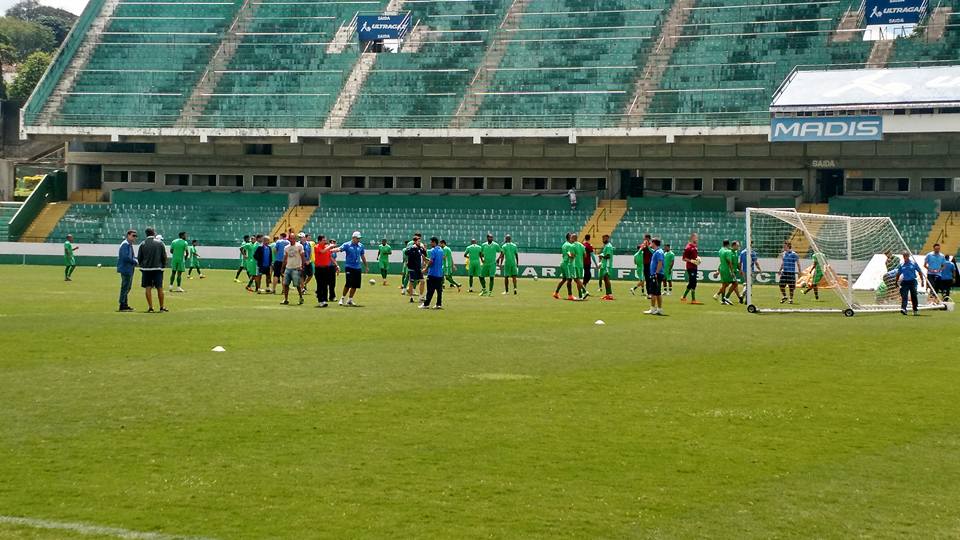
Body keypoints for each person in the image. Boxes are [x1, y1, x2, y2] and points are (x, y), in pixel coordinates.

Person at [138, 227, 168, 313]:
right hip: (157, 268)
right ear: (154, 233)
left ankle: (150, 307)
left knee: (148, 288)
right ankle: (161, 307)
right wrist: (163, 265)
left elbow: (140, 257)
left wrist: (142, 266)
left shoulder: (142, 244)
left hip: (146, 269)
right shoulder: (160, 243)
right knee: (159, 287)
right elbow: (164, 256)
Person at [339, 231, 368, 306]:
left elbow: (362, 256)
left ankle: (350, 299)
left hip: (357, 267)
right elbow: (340, 249)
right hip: (349, 267)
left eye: (359, 238)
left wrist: (366, 266)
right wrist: (331, 250)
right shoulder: (347, 245)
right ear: (353, 238)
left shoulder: (361, 246)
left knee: (355, 285)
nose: (359, 240)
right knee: (348, 284)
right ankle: (342, 298)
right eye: (357, 238)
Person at [896, 251, 925, 316]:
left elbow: (919, 271)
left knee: (914, 296)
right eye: (904, 256)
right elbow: (898, 274)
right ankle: (904, 309)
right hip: (905, 282)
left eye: (906, 256)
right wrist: (896, 282)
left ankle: (915, 309)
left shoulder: (913, 263)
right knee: (904, 296)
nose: (905, 257)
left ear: (908, 256)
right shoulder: (902, 264)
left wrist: (922, 280)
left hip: (912, 281)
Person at [116, 230, 138, 312]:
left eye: (135, 236)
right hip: (126, 268)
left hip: (128, 268)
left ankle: (125, 304)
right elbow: (125, 257)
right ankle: (122, 304)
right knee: (125, 287)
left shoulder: (128, 244)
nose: (134, 237)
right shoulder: (125, 244)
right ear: (128, 235)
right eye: (133, 235)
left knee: (127, 287)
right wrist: (135, 261)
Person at [280, 235, 305, 305]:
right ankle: (286, 299)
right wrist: (282, 268)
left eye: (293, 238)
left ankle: (300, 297)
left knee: (297, 284)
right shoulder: (286, 247)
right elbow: (285, 258)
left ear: (295, 239)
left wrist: (302, 266)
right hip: (288, 267)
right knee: (285, 284)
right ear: (289, 239)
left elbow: (303, 256)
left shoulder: (299, 246)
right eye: (291, 238)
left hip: (296, 268)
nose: (292, 240)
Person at [421, 237, 445, 309]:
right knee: (439, 291)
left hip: (432, 273)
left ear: (434, 242)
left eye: (431, 242)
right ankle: (438, 304)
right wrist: (426, 259)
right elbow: (437, 260)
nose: (430, 243)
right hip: (439, 274)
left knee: (430, 290)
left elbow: (431, 262)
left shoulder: (433, 250)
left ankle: (426, 304)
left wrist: (425, 269)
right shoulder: (441, 250)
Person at [680, 232, 702, 305]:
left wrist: (698, 259)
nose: (697, 239)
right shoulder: (688, 247)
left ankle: (684, 297)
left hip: (694, 266)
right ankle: (693, 299)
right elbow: (684, 258)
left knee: (692, 282)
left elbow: (694, 256)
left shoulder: (695, 246)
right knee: (693, 281)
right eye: (696, 237)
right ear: (692, 238)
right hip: (690, 267)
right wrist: (691, 261)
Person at [645, 238, 665, 315]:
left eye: (651, 242)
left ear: (654, 243)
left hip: (656, 274)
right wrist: (647, 246)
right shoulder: (657, 251)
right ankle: (659, 309)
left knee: (653, 292)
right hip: (657, 274)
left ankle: (652, 309)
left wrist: (656, 273)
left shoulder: (659, 252)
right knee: (658, 292)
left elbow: (660, 262)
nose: (651, 244)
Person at [713, 240, 737, 306]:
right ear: (728, 244)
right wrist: (732, 271)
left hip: (722, 269)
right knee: (735, 283)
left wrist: (718, 271)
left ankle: (723, 300)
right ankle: (724, 298)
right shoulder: (728, 251)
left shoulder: (720, 250)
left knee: (724, 284)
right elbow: (729, 262)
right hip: (727, 270)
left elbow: (721, 261)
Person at [553, 233, 576, 300]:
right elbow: (569, 254)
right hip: (567, 264)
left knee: (564, 279)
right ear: (569, 238)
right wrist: (574, 256)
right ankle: (570, 295)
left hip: (563, 263)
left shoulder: (564, 244)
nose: (573, 238)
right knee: (569, 279)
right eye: (572, 237)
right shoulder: (569, 245)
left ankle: (556, 293)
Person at [405, 236, 427, 303]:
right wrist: (412, 249)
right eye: (418, 241)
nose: (419, 242)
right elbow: (406, 253)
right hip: (412, 268)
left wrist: (424, 249)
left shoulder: (420, 248)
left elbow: (425, 254)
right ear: (415, 241)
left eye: (420, 241)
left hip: (418, 268)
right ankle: (411, 297)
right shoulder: (412, 247)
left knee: (423, 281)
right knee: (411, 282)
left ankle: (420, 297)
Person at [598, 234, 615, 300]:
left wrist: (602, 256)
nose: (603, 240)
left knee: (607, 279)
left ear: (607, 238)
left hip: (607, 265)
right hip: (605, 265)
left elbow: (608, 256)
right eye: (602, 238)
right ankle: (607, 294)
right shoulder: (606, 246)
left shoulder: (608, 246)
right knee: (605, 279)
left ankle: (610, 295)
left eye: (604, 238)